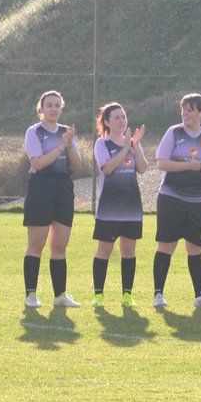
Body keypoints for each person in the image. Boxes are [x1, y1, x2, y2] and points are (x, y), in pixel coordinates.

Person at [152, 93, 201, 309]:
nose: (185, 113)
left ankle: (200, 295)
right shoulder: (174, 132)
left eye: (190, 109)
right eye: (183, 109)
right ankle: (158, 295)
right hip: (172, 198)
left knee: (195, 247)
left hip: (200, 200)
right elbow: (161, 163)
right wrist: (189, 165)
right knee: (167, 245)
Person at [22, 90, 81, 308]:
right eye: (49, 105)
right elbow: (37, 163)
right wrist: (60, 146)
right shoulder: (34, 132)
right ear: (41, 109)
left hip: (63, 188)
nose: (54, 109)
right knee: (36, 244)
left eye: (57, 105)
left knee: (59, 246)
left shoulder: (67, 132)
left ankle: (60, 295)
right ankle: (31, 294)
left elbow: (76, 163)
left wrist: (69, 143)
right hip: (41, 187)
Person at [91, 102, 147, 308]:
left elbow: (142, 168)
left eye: (123, 117)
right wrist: (125, 148)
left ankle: (127, 294)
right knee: (104, 250)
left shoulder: (132, 143)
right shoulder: (102, 144)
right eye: (116, 117)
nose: (121, 121)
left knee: (129, 250)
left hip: (131, 206)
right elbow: (108, 168)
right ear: (106, 122)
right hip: (109, 207)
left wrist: (136, 146)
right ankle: (98, 295)